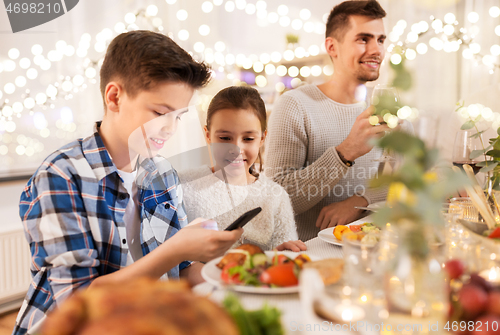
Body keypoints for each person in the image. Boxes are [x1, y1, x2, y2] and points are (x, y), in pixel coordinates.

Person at [13, 31, 243, 335]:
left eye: (178, 116)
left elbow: (184, 271)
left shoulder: (162, 174)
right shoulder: (61, 176)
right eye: (160, 113)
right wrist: (174, 250)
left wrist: (244, 274)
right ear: (114, 97)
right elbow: (77, 302)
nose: (170, 128)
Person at [265, 0, 393, 241]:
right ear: (332, 47)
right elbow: (275, 198)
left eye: (381, 39)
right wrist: (345, 153)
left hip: (371, 251)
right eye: (363, 39)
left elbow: (409, 179)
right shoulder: (295, 105)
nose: (377, 50)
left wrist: (360, 201)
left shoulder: (385, 108)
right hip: (309, 257)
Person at [178, 86, 306, 252]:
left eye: (248, 138)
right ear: (208, 135)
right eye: (225, 138)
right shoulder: (184, 186)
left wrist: (281, 253)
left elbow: (283, 259)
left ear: (262, 138)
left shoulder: (275, 197)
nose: (236, 149)